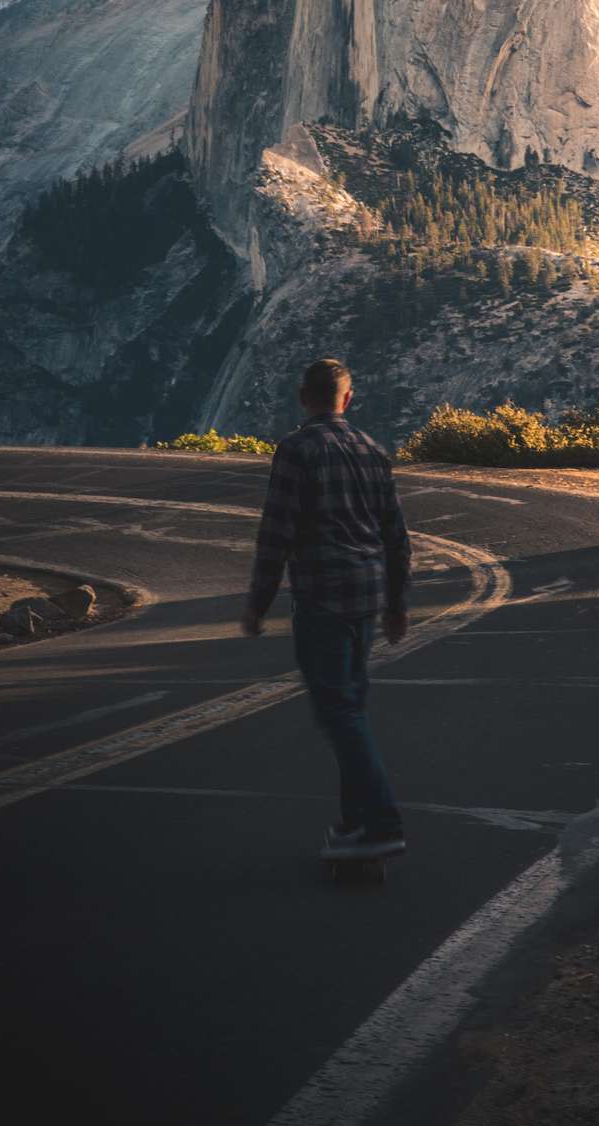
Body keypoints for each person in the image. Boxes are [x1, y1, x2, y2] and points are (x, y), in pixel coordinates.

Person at [240, 357, 411, 861]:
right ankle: (354, 823)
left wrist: (258, 603)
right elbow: (396, 538)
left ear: (302, 398)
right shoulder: (372, 452)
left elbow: (276, 534)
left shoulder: (296, 452)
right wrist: (397, 605)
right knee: (351, 709)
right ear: (348, 398)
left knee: (340, 714)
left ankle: (381, 823)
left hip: (322, 598)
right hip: (366, 596)